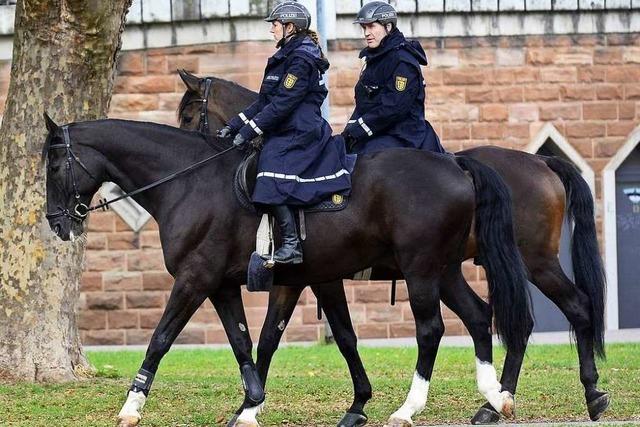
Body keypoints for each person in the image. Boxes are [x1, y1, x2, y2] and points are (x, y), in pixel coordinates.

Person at [217, 1, 355, 265]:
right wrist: (233, 126)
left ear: (290, 27)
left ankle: (292, 245)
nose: (272, 31)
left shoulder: (301, 59)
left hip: (301, 130)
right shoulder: (285, 56)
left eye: (276, 25)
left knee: (270, 170)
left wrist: (249, 132)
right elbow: (263, 101)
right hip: (286, 126)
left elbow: (283, 104)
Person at [342, 1, 445, 155]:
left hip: (402, 134)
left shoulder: (402, 61)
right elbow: (365, 104)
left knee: (361, 163)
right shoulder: (376, 58)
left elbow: (393, 107)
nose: (366, 33)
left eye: (371, 26)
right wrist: (348, 133)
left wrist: (357, 131)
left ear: (388, 27)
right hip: (380, 131)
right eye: (364, 28)